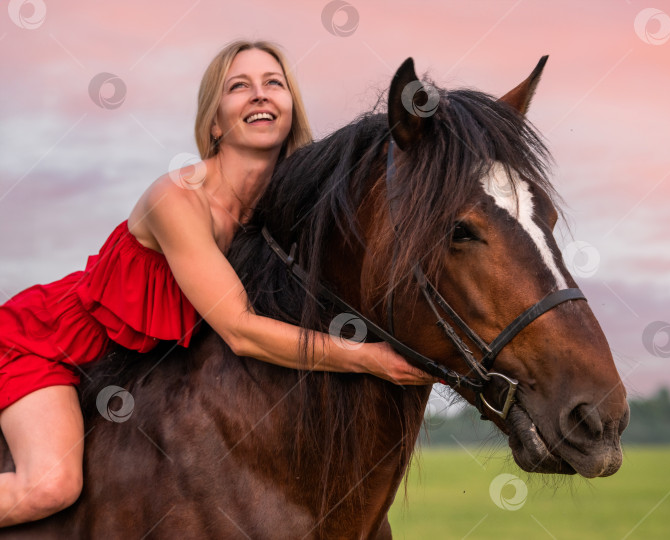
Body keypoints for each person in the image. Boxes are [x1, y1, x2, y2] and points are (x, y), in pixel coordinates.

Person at [0, 40, 434, 526]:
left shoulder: (286, 209)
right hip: (52, 342)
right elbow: (240, 329)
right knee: (49, 484)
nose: (259, 95)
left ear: (291, 108)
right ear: (213, 121)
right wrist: (367, 357)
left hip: (138, 363)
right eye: (238, 87)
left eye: (274, 83)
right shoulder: (179, 199)